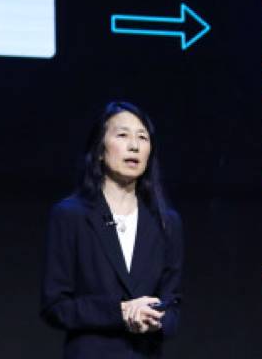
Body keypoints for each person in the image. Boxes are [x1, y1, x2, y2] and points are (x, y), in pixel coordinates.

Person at [41, 101, 183, 358]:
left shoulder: (167, 221)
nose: (134, 145)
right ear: (99, 150)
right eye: (122, 135)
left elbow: (172, 306)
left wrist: (156, 319)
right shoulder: (70, 215)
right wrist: (120, 312)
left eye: (142, 137)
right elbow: (55, 306)